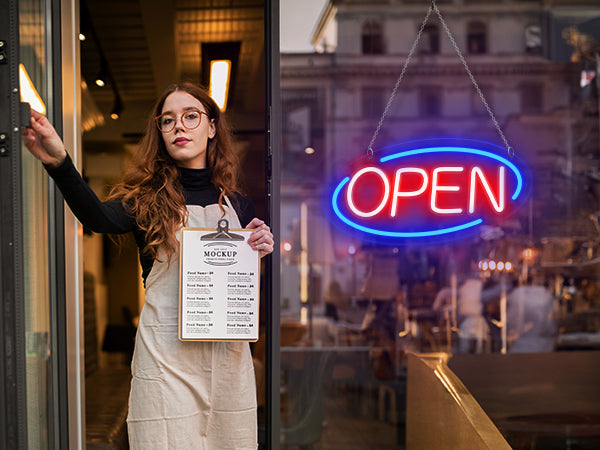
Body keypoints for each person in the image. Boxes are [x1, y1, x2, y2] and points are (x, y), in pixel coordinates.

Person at [22, 82, 274, 449]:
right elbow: (97, 218)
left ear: (212, 127)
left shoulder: (239, 205)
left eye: (191, 116)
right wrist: (60, 162)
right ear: (161, 133)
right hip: (165, 361)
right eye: (168, 121)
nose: (179, 127)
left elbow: (243, 288)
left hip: (226, 360)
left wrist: (260, 248)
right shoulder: (147, 199)